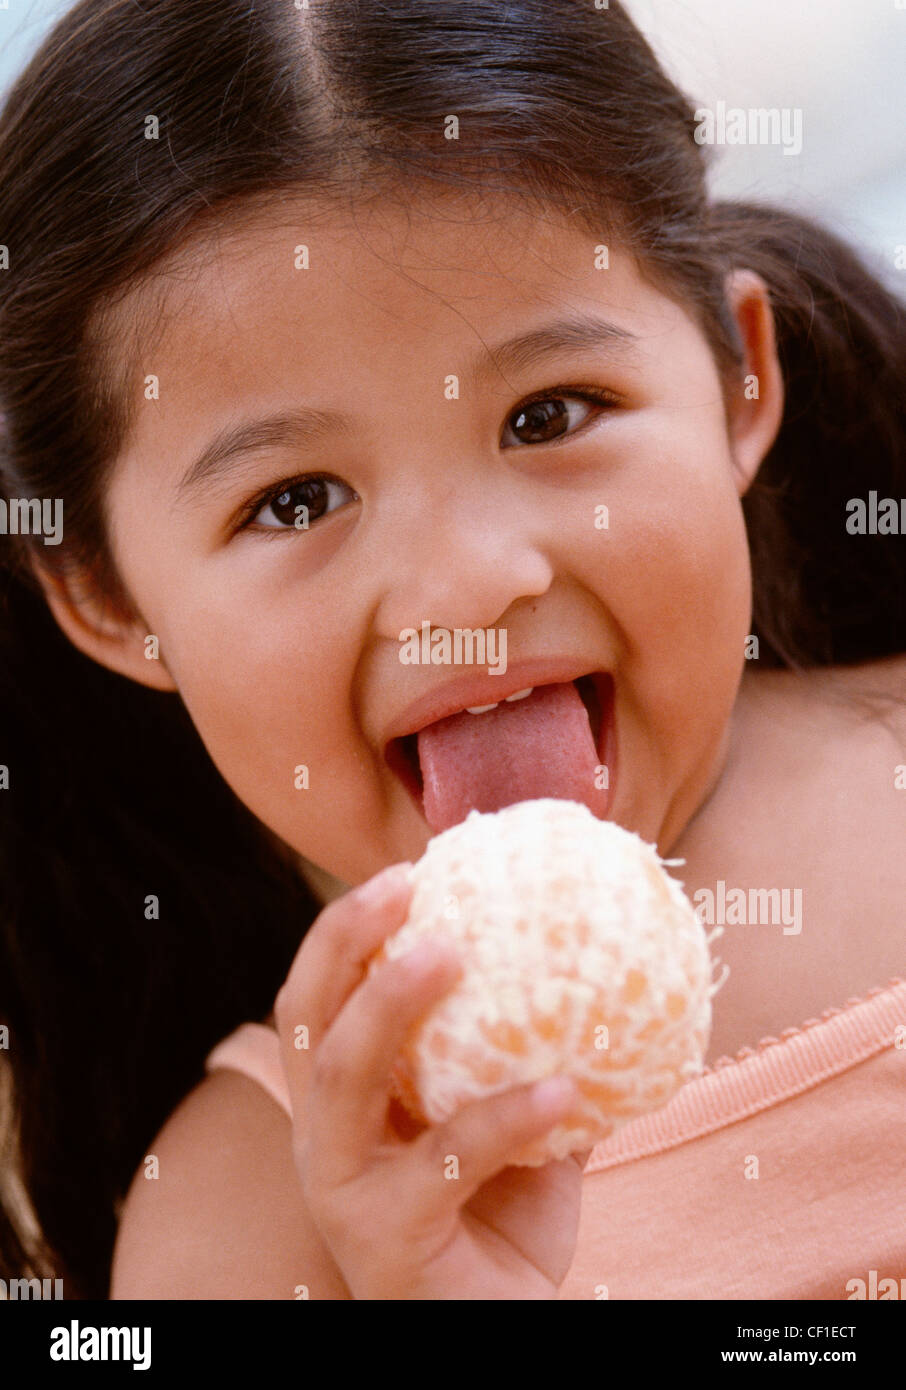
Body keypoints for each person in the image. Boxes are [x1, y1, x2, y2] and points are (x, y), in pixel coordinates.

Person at [1, 0, 903, 1301]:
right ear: (107, 596)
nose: (461, 587)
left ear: (737, 381)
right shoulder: (246, 1221)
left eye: (550, 413)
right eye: (294, 500)